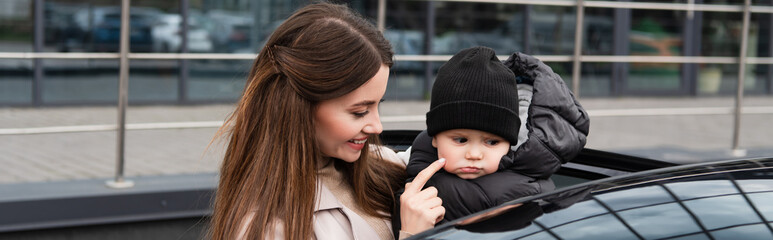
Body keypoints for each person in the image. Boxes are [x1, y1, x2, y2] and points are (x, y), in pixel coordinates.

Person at [209, 3, 445, 240]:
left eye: (377, 105)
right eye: (359, 111)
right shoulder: (264, 228)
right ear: (298, 107)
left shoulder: (386, 165)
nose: (377, 126)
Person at [392, 46, 590, 233]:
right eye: (461, 140)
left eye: (492, 142)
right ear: (434, 138)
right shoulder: (410, 167)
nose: (474, 154)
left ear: (511, 144)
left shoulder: (524, 193)